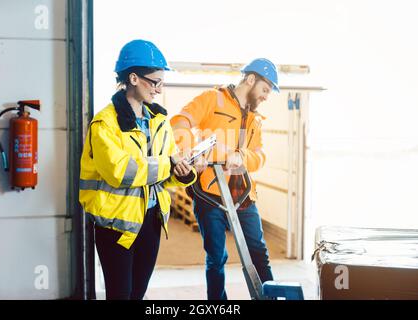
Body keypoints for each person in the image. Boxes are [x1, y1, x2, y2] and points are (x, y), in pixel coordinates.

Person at [79, 39, 196, 300]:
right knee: (120, 295)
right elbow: (120, 172)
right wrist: (169, 163)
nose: (159, 89)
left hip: (151, 221)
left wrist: (182, 173)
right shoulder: (104, 123)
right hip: (116, 227)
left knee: (137, 295)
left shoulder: (159, 121)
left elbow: (161, 173)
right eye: (155, 82)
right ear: (133, 78)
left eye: (161, 82)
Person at [170, 58, 279, 300]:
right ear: (250, 80)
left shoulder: (255, 119)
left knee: (258, 251)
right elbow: (180, 122)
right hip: (210, 194)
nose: (265, 97)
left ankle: (270, 297)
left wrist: (241, 156)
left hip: (243, 195)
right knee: (216, 258)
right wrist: (189, 153)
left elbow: (260, 157)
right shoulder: (212, 99)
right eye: (265, 89)